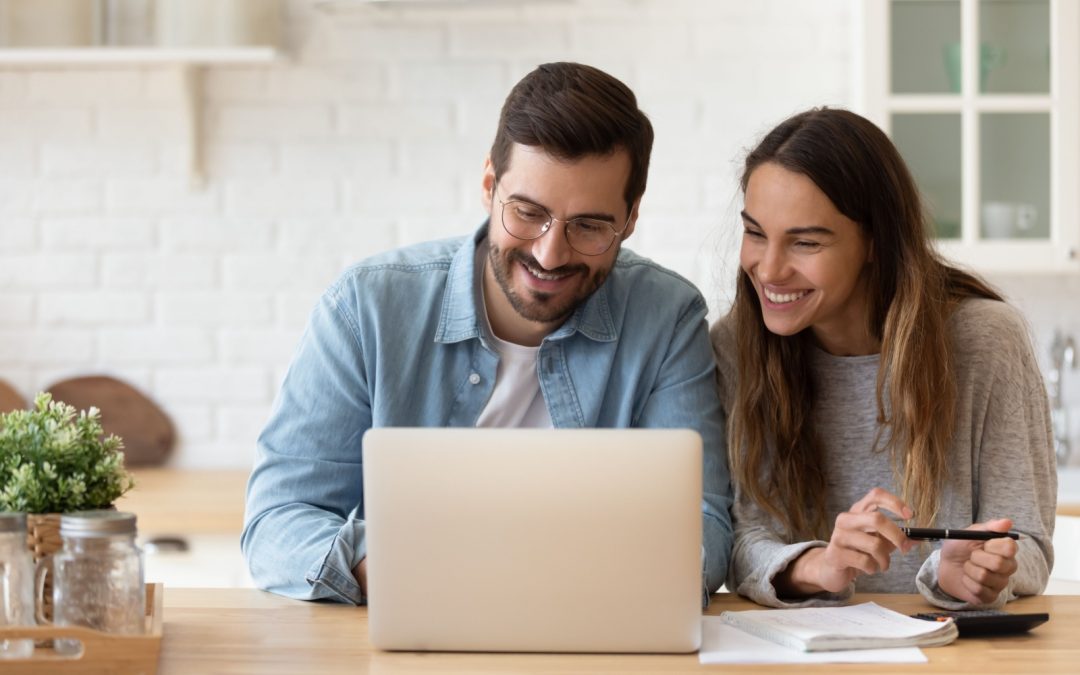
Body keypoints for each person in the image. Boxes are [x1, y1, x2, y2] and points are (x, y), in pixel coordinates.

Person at [242, 62, 733, 605]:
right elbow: (276, 521)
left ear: (631, 217)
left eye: (589, 226)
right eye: (528, 212)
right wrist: (385, 566)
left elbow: (702, 524)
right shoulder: (366, 308)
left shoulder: (667, 318)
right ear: (488, 187)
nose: (550, 253)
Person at [712, 107, 1056, 609]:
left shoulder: (985, 341)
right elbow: (742, 539)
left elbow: (1027, 540)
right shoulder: (736, 345)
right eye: (756, 233)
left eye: (805, 242)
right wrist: (822, 566)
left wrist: (973, 572)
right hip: (801, 653)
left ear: (876, 242)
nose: (768, 269)